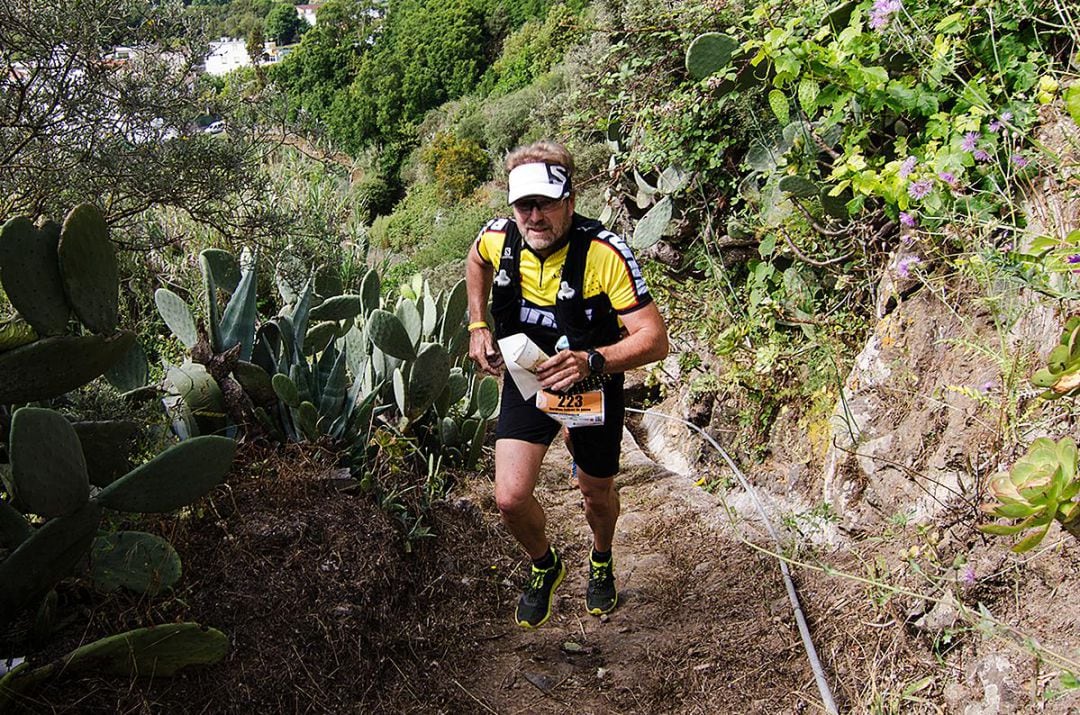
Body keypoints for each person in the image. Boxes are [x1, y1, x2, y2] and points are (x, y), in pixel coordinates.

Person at [465, 141, 669, 629]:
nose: (534, 217)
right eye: (523, 205)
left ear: (569, 201)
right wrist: (477, 324)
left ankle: (601, 556)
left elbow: (655, 339)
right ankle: (545, 564)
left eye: (545, 204)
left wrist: (592, 360)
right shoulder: (499, 237)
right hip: (527, 376)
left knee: (594, 491)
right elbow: (476, 260)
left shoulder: (603, 253)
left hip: (590, 382)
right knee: (510, 499)